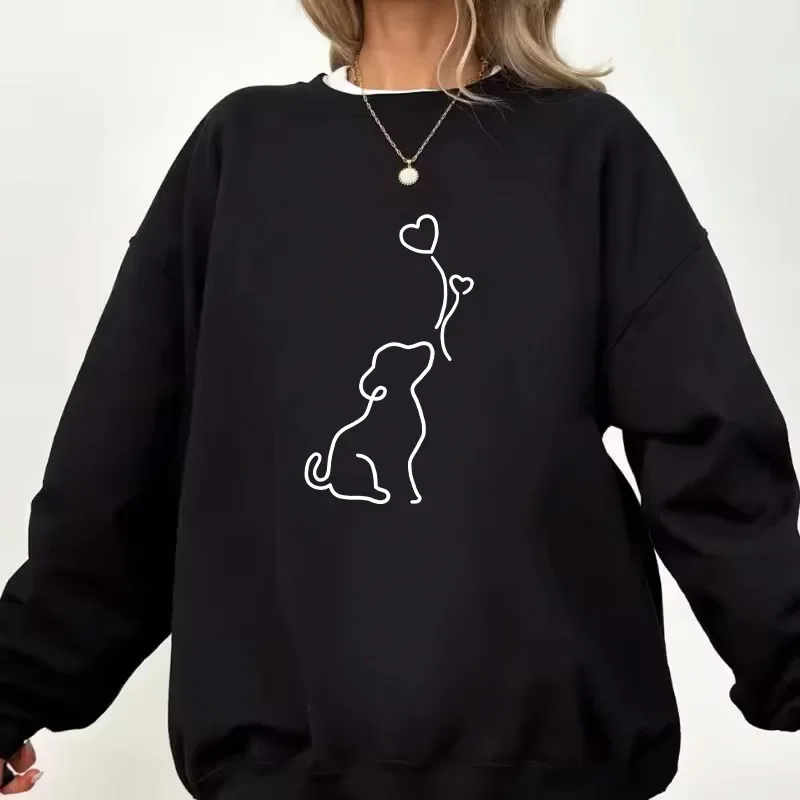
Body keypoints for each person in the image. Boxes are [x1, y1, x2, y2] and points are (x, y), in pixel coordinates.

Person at [2, 0, 799, 797]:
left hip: (556, 773)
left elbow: (714, 458)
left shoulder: (590, 149)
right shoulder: (241, 151)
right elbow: (119, 473)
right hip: (281, 775)